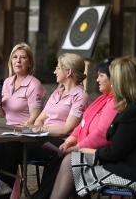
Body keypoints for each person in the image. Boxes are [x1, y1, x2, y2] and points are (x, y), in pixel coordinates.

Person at [50, 56, 136, 199]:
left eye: (113, 78)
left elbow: (113, 153)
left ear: (122, 82)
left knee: (71, 163)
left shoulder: (135, 111)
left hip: (132, 177)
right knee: (73, 163)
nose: (111, 83)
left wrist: (82, 149)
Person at [0, 53, 89, 197]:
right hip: (42, 137)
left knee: (12, 145)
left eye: (58, 68)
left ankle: (4, 185)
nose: (54, 71)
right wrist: (35, 127)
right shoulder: (57, 92)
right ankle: (1, 184)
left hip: (60, 141)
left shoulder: (80, 96)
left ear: (68, 72)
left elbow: (67, 128)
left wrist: (41, 129)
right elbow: (40, 118)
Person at [31, 57, 118, 199]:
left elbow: (99, 134)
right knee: (10, 146)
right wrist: (70, 141)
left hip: (94, 153)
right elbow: (82, 124)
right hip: (72, 144)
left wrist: (76, 146)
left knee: (64, 157)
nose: (96, 80)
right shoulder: (102, 99)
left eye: (101, 76)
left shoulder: (104, 100)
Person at [0, 42, 45, 127]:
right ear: (11, 61)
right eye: (15, 57)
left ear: (30, 63)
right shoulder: (7, 82)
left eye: (23, 57)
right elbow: (2, 115)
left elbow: (35, 117)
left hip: (25, 132)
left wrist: (23, 130)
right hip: (9, 129)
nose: (18, 61)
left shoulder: (34, 85)